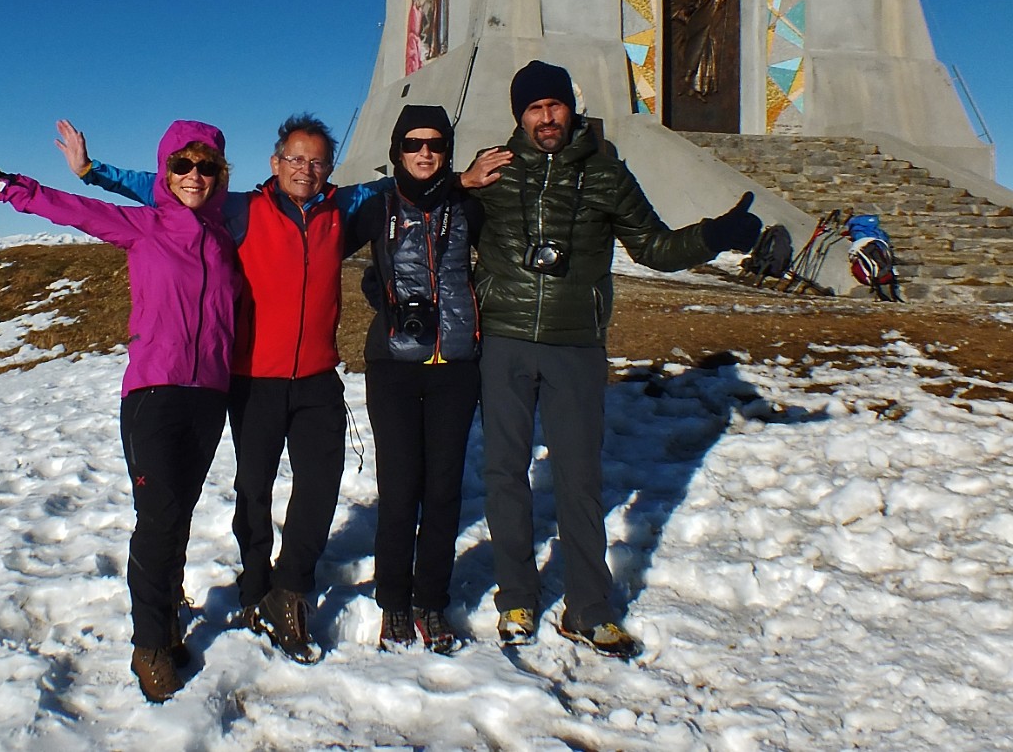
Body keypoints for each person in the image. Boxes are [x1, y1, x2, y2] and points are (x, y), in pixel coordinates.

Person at [58, 114, 392, 664]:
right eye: (295, 159)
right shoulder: (241, 207)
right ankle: (255, 587)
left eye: (316, 161)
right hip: (252, 377)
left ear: (329, 167)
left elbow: (402, 182)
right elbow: (165, 185)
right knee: (253, 490)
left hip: (316, 376)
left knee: (320, 485)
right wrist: (95, 172)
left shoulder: (341, 207)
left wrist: (459, 178)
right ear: (274, 163)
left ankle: (291, 590)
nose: (305, 170)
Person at [0, 121, 241, 704]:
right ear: (165, 174)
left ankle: (167, 614)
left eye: (206, 167)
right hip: (153, 392)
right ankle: (149, 645)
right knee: (158, 518)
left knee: (179, 515)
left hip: (211, 395)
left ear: (220, 175)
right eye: (182, 166)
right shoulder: (143, 226)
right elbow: (64, 207)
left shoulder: (227, 235)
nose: (194, 177)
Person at [462, 61, 760, 658]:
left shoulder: (605, 173)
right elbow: (433, 218)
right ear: (518, 115)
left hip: (575, 344)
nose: (546, 118)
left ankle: (589, 607)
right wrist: (460, 183)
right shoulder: (492, 169)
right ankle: (517, 596)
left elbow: (653, 246)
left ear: (570, 108)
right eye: (534, 108)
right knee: (504, 473)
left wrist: (715, 234)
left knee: (579, 478)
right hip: (505, 338)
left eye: (555, 106)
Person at [348, 105, 483, 655]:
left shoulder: (468, 205)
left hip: (456, 363)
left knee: (444, 489)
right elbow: (317, 225)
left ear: (447, 151)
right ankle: (394, 601)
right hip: (394, 367)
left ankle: (432, 598)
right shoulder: (377, 206)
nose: (424, 153)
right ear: (396, 151)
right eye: (413, 144)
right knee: (400, 488)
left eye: (435, 144)